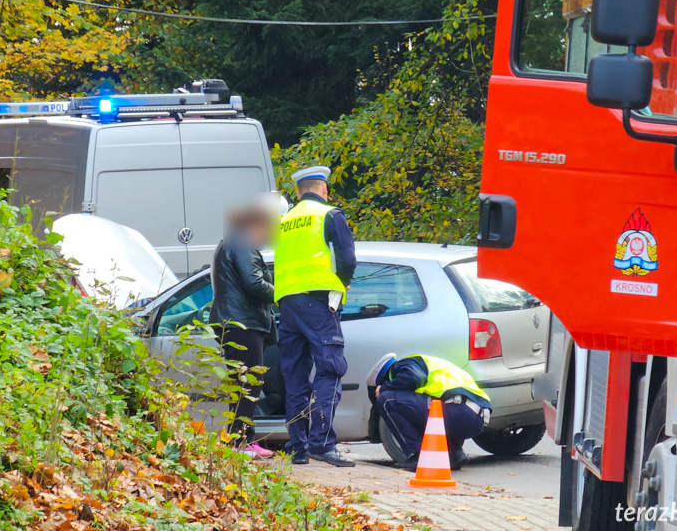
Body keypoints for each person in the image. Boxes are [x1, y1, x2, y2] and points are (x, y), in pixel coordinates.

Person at [274, 165, 357, 466]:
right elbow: (347, 259)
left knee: (295, 376)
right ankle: (322, 443)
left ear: (298, 192)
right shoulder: (330, 215)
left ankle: (299, 448)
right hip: (319, 303)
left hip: (287, 304)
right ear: (323, 189)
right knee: (330, 369)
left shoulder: (284, 221)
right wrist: (343, 282)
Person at [209, 202, 277, 459]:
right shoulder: (241, 243)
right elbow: (254, 283)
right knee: (248, 384)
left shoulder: (232, 242)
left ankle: (243, 439)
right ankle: (241, 442)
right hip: (242, 323)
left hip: (235, 321)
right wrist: (280, 293)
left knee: (242, 383)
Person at [366, 353, 492, 471]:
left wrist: (384, 388)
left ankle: (418, 457)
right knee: (420, 409)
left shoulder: (401, 366)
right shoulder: (431, 364)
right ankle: (454, 454)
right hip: (478, 417)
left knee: (386, 400)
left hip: (459, 411)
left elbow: (415, 377)